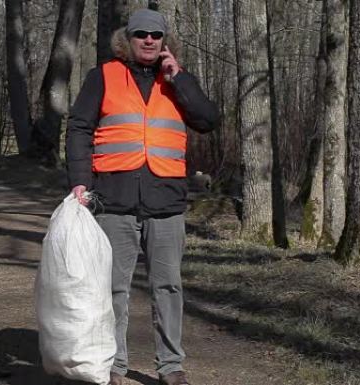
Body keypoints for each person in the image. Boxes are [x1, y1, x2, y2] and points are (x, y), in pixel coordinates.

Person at [65, 8, 219, 385]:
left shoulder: (178, 79)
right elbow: (80, 128)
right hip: (113, 200)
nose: (149, 40)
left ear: (164, 41)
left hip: (166, 201)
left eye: (156, 34)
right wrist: (81, 181)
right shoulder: (102, 76)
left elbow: (207, 119)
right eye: (141, 34)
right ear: (127, 40)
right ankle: (113, 365)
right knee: (113, 288)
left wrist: (178, 78)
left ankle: (170, 367)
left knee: (168, 286)